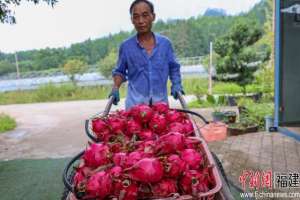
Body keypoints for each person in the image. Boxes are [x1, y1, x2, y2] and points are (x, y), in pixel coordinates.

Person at [110, 0, 184, 109]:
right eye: (136, 17)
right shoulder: (126, 47)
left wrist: (176, 84)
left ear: (153, 17)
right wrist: (115, 87)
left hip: (160, 108)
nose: (141, 21)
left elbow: (173, 68)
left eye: (145, 15)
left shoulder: (165, 44)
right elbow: (120, 71)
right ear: (132, 20)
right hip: (135, 108)